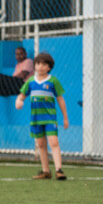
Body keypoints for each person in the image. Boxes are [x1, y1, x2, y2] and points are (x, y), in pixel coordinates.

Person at [15, 51, 69, 180]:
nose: (40, 67)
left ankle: (59, 170)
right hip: (36, 119)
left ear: (49, 67)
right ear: (34, 65)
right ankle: (46, 171)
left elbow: (60, 99)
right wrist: (19, 101)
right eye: (38, 63)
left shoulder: (53, 81)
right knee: (40, 143)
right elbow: (22, 95)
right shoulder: (30, 82)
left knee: (53, 142)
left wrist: (65, 118)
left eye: (44, 64)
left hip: (50, 118)